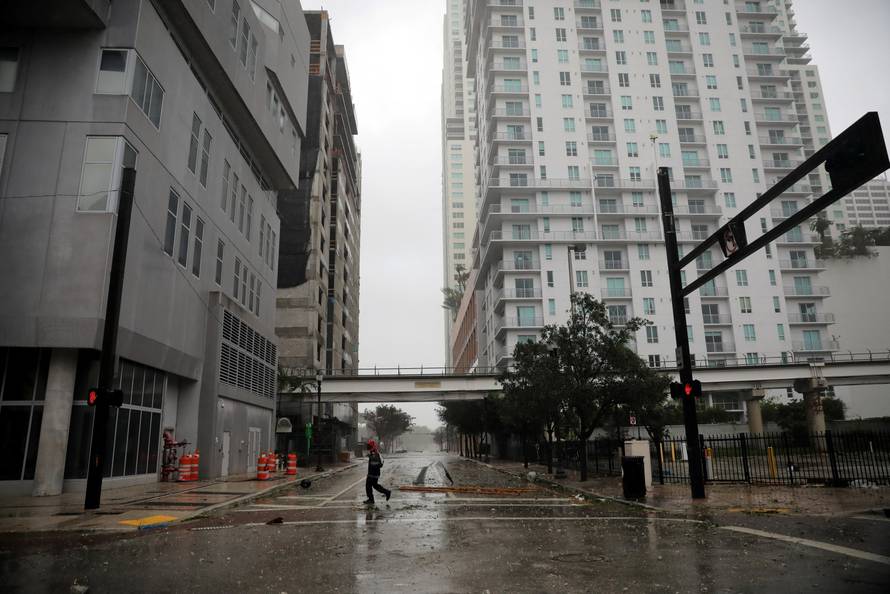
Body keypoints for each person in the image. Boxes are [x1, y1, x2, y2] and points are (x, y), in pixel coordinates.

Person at [364, 439, 391, 505]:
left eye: (369, 446)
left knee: (368, 486)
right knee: (375, 486)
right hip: (374, 474)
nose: (368, 447)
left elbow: (375, 464)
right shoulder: (374, 452)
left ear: (372, 446)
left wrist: (370, 457)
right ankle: (387, 492)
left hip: (372, 474)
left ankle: (371, 499)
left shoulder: (374, 453)